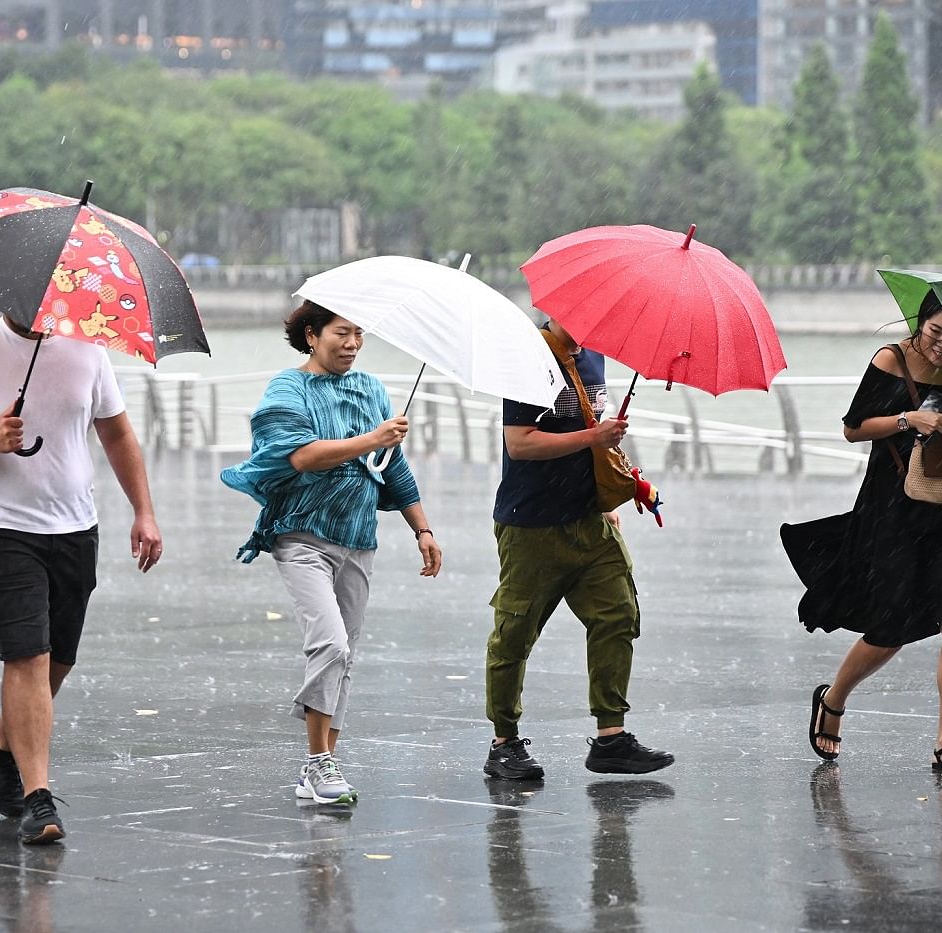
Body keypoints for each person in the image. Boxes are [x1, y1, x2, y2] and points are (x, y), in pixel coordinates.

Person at [0, 312, 162, 844]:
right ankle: (38, 798)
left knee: (58, 660)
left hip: (74, 526)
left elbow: (117, 433)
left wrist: (144, 511)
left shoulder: (90, 349)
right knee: (27, 655)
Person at [221, 301, 442, 805]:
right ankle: (318, 762)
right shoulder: (287, 389)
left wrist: (422, 530)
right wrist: (371, 437)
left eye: (359, 334)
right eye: (342, 333)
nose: (352, 344)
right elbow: (299, 454)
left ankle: (323, 767)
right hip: (300, 535)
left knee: (347, 658)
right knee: (331, 646)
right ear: (311, 335)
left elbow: (392, 466)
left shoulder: (369, 389)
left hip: (358, 537)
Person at [781, 292, 942, 773]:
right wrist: (910, 418)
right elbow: (853, 428)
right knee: (889, 630)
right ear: (920, 322)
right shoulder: (891, 358)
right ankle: (833, 700)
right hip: (890, 506)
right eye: (935, 332)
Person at [482, 318, 674, 782]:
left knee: (618, 615)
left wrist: (608, 487)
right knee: (515, 633)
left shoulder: (594, 356)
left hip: (590, 519)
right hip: (531, 526)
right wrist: (594, 437)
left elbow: (590, 434)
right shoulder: (528, 359)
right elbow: (520, 443)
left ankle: (611, 737)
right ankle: (504, 743)